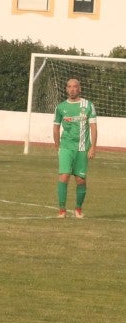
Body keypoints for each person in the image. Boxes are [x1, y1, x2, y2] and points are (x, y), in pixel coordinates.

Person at [53, 77, 97, 219]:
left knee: (80, 180)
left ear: (79, 88)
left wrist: (93, 147)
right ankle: (62, 210)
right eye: (69, 87)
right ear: (66, 89)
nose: (72, 89)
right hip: (66, 147)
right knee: (64, 176)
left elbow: (93, 127)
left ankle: (78, 209)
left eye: (75, 87)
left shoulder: (88, 105)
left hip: (82, 148)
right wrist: (58, 146)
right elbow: (56, 127)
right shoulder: (60, 107)